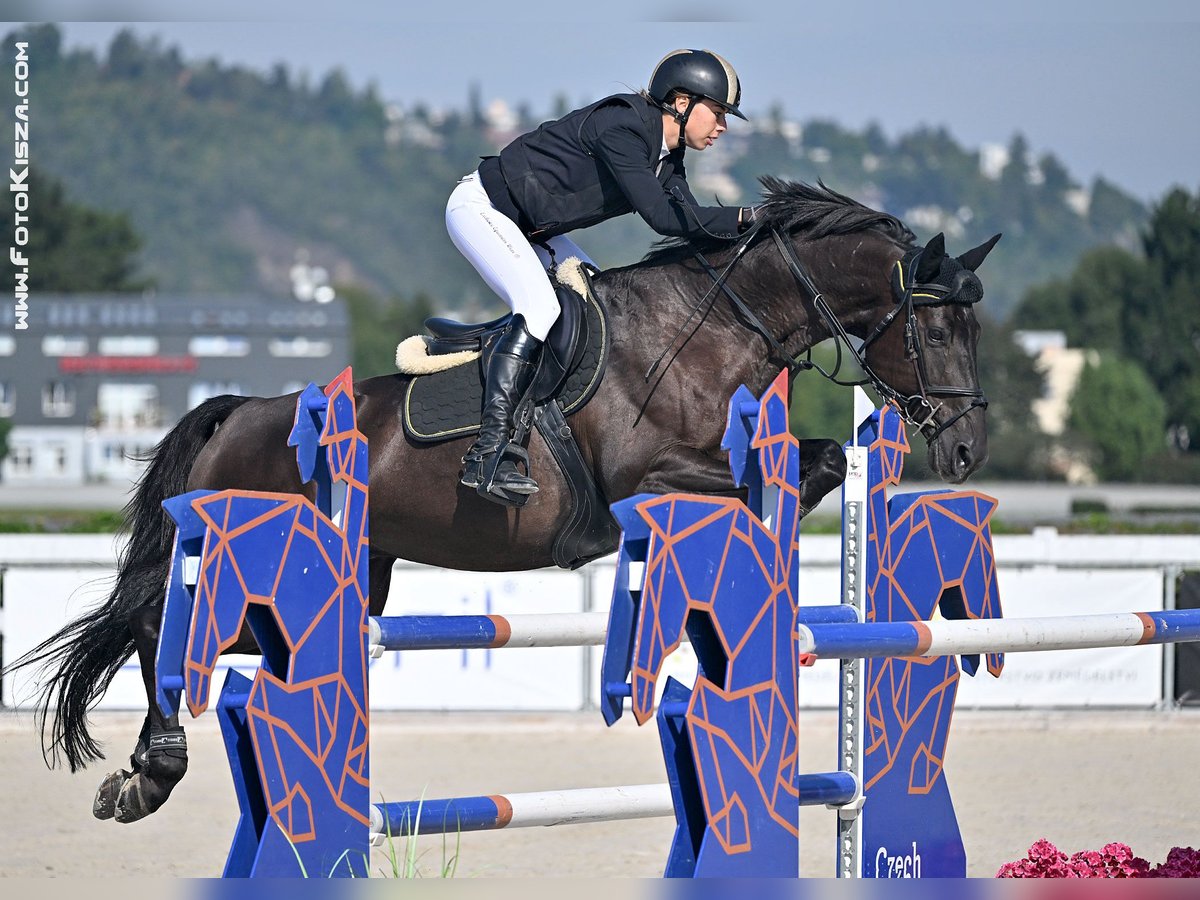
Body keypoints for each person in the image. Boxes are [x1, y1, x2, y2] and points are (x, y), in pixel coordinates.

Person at [447, 48, 756, 505]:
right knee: (540, 306)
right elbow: (664, 218)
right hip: (483, 210)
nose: (723, 127)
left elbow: (689, 217)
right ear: (682, 101)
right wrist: (750, 215)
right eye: (718, 112)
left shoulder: (665, 158)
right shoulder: (624, 127)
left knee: (599, 301)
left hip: (534, 231)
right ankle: (486, 455)